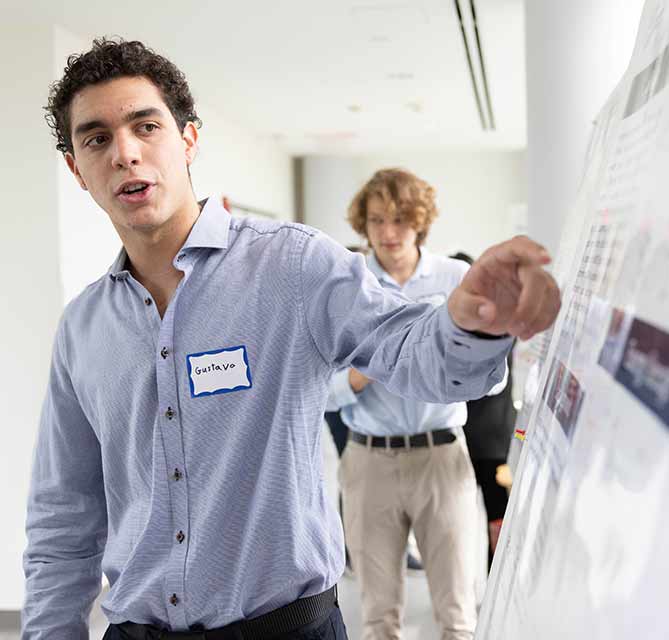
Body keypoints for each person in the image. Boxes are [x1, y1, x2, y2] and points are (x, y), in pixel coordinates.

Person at [22, 38, 560, 639]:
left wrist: (471, 322)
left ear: (188, 140)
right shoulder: (83, 328)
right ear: (76, 168)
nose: (125, 153)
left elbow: (412, 354)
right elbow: (62, 518)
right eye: (96, 139)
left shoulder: (291, 266)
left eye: (145, 127)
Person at [329, 170, 498, 640]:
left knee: (457, 614)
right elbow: (320, 388)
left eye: (401, 220)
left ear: (420, 223)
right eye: (377, 220)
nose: (388, 233)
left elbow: (489, 379)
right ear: (363, 224)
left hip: (441, 457)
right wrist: (371, 368)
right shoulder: (345, 283)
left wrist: (443, 361)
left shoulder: (457, 279)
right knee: (378, 618)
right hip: (368, 461)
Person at [450, 252, 516, 571]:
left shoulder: (461, 323)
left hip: (474, 441)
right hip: (489, 441)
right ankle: (492, 590)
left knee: (488, 520)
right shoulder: (502, 318)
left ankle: (489, 588)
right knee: (494, 519)